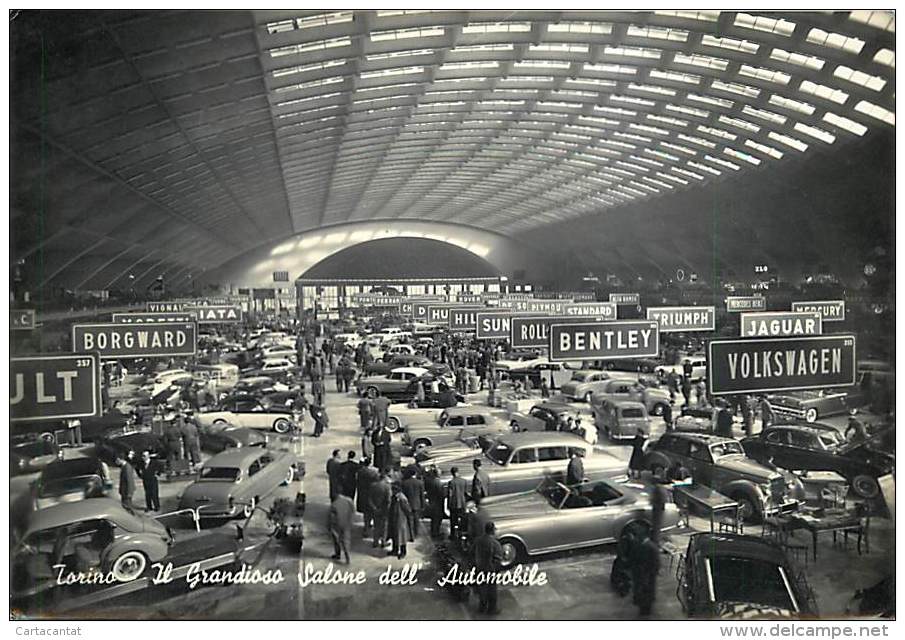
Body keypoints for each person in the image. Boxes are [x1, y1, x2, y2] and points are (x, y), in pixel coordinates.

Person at [472, 521, 504, 615]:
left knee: (482, 588)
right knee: (492, 590)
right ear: (492, 531)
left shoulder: (478, 540)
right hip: (490, 570)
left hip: (479, 568)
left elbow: (471, 552)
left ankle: (482, 607)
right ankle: (492, 609)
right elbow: (498, 559)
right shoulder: (495, 544)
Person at [632, 533, 661, 617]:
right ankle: (645, 608)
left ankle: (645, 610)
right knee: (646, 591)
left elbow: (655, 563)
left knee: (645, 591)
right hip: (647, 574)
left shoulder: (648, 547)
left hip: (647, 574)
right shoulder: (649, 546)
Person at [328, 493, 355, 564]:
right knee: (346, 540)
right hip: (347, 523)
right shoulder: (349, 501)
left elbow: (332, 517)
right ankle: (347, 557)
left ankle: (338, 554)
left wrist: (329, 526)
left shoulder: (334, 504)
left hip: (337, 524)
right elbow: (353, 510)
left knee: (336, 539)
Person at [389, 484, 414, 559]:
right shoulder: (395, 497)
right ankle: (395, 550)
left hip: (400, 520)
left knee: (401, 536)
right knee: (395, 535)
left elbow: (407, 510)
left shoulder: (402, 498)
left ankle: (403, 552)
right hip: (394, 519)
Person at [369, 471, 392, 549]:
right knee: (384, 526)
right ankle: (383, 541)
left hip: (375, 509)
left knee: (376, 526)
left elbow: (369, 498)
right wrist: (388, 508)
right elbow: (388, 499)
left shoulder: (372, 485)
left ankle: (375, 542)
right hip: (384, 509)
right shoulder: (387, 487)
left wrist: (374, 507)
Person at [356, 458, 379, 538]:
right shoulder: (373, 473)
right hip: (371, 495)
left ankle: (366, 529)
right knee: (373, 513)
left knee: (366, 514)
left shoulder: (360, 472)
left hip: (362, 495)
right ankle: (372, 530)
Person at [447, 466, 469, 543]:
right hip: (462, 504)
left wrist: (448, 505)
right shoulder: (464, 481)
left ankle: (453, 535)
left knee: (453, 521)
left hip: (454, 504)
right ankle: (461, 534)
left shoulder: (451, 482)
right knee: (462, 521)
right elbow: (466, 493)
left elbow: (450, 494)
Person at [400, 468, 425, 536]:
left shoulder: (404, 483)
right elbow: (422, 495)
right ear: (415, 474)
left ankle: (411, 534)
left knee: (409, 520)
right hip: (417, 504)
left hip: (408, 504)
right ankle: (416, 533)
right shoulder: (420, 483)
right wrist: (423, 505)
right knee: (416, 520)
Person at [424, 465, 445, 538]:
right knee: (437, 518)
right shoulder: (438, 482)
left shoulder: (431, 481)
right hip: (438, 503)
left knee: (434, 519)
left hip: (432, 502)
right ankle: (436, 532)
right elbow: (441, 493)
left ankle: (433, 531)